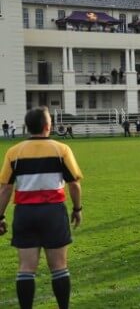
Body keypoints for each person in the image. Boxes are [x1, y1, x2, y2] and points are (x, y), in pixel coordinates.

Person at [0, 106, 83, 309]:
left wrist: (0, 216)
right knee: (59, 267)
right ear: (48, 126)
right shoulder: (61, 149)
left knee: (26, 268)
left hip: (25, 213)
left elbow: (5, 189)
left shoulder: (14, 152)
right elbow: (74, 184)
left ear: (28, 127)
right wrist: (77, 209)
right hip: (53, 212)